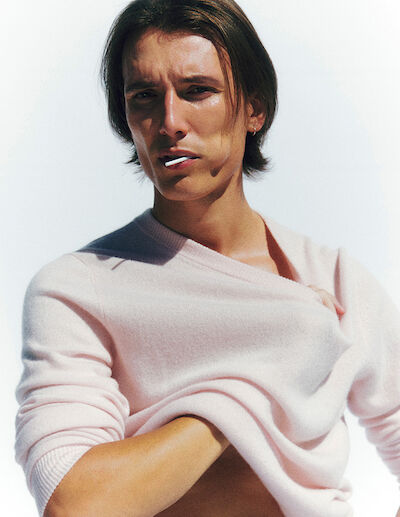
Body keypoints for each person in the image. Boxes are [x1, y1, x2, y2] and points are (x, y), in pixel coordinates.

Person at [15, 0, 400, 516]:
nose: (169, 121)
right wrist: (272, 366)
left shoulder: (334, 280)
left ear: (254, 109)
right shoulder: (77, 289)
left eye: (198, 91)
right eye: (144, 96)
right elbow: (76, 504)